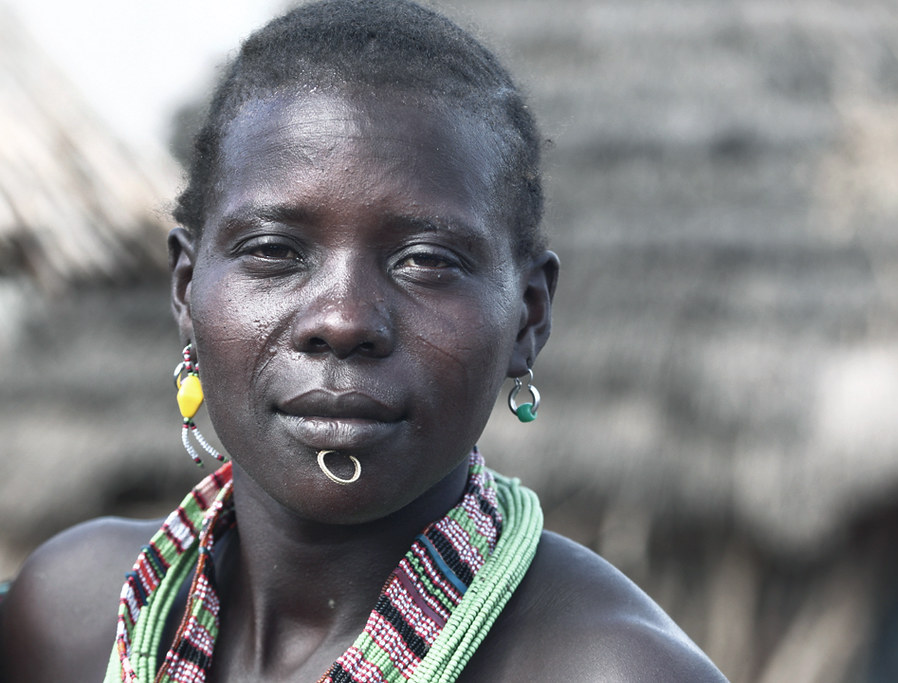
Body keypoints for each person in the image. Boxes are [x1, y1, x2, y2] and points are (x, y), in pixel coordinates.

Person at [0, 1, 727, 680]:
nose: (343, 319)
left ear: (529, 316)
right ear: (186, 288)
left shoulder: (609, 667)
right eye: (275, 251)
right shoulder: (75, 616)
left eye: (426, 262)